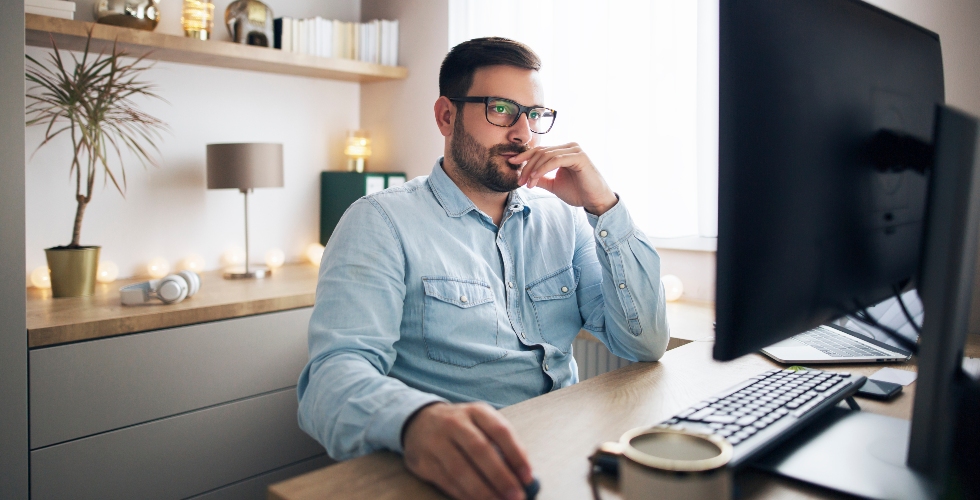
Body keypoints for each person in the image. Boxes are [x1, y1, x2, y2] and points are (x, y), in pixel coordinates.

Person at [297, 37, 670, 500]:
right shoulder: (380, 222)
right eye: (501, 109)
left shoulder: (565, 217)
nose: (523, 133)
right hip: (460, 476)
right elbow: (330, 381)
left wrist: (603, 205)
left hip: (566, 455)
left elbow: (644, 343)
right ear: (445, 116)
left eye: (533, 114)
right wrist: (416, 421)